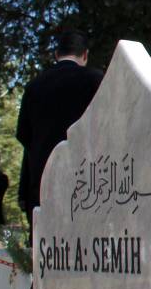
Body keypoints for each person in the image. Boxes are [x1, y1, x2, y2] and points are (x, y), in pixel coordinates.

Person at [16, 30, 103, 244]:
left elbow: (24, 135)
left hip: (43, 185)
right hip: (86, 187)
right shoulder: (95, 81)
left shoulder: (34, 87)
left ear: (56, 54)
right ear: (85, 55)